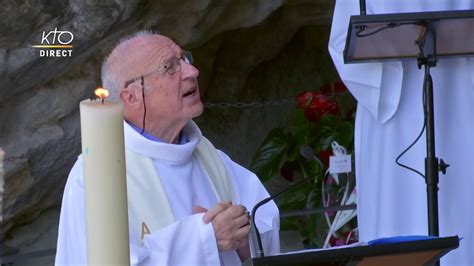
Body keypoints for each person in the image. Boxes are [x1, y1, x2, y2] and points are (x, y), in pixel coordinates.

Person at [55, 31, 280, 265]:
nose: (192, 72)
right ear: (132, 97)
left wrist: (243, 237)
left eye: (184, 59)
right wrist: (205, 238)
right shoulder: (96, 174)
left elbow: (265, 221)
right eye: (169, 67)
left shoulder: (210, 157)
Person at [329, 1, 474, 265]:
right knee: (399, 213)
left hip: (461, 106)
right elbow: (341, 42)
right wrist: (402, 46)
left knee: (463, 212)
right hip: (394, 125)